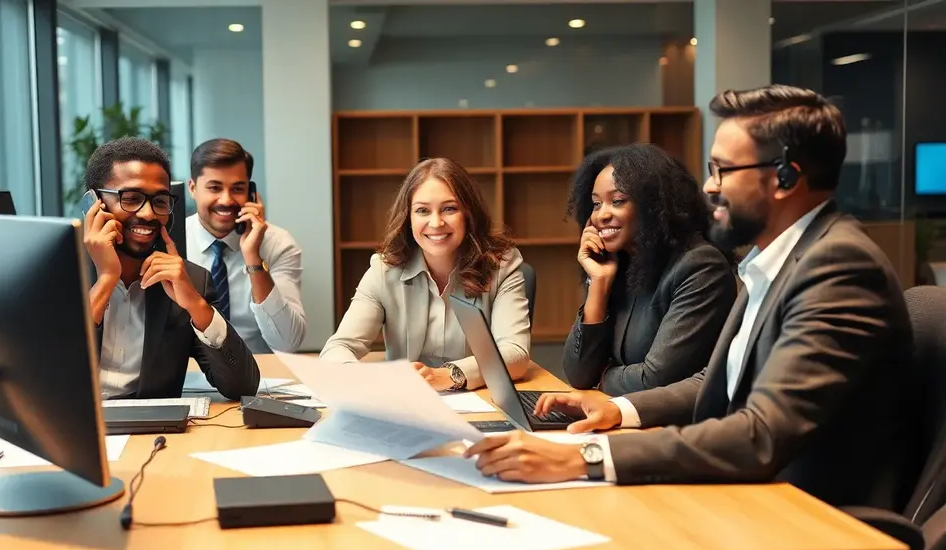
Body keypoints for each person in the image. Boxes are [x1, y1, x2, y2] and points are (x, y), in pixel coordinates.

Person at [465, 85, 914, 511]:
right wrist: (617, 408)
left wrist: (586, 457)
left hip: (806, 512)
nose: (709, 187)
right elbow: (715, 381)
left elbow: (761, 433)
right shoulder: (776, 261)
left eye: (723, 170)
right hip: (751, 487)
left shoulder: (837, 267)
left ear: (783, 177)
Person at [319, 157, 531, 391]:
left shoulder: (501, 266)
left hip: (481, 400)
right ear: (408, 217)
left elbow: (516, 353)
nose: (436, 222)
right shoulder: (383, 270)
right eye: (422, 211)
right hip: (407, 405)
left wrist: (450, 375)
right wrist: (368, 379)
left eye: (449, 209)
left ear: (468, 214)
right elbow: (338, 348)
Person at [82, 137, 260, 400]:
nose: (148, 213)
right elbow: (47, 378)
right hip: (71, 432)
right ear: (93, 203)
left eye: (160, 201)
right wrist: (106, 279)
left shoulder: (190, 281)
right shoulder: (55, 274)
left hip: (152, 433)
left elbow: (242, 386)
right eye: (131, 198)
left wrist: (195, 304)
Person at [563, 144, 736, 396]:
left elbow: (655, 379)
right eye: (596, 204)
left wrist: (602, 377)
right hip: (620, 417)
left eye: (618, 201)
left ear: (654, 205)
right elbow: (578, 374)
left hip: (675, 428)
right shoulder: (619, 264)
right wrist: (597, 284)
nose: (601, 215)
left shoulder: (700, 267)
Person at [185, 138, 306, 353]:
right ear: (193, 188)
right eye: (214, 187)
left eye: (237, 189)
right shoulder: (172, 242)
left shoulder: (278, 243)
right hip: (188, 374)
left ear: (250, 192)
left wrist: (253, 257)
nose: (226, 200)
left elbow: (288, 343)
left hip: (260, 375)